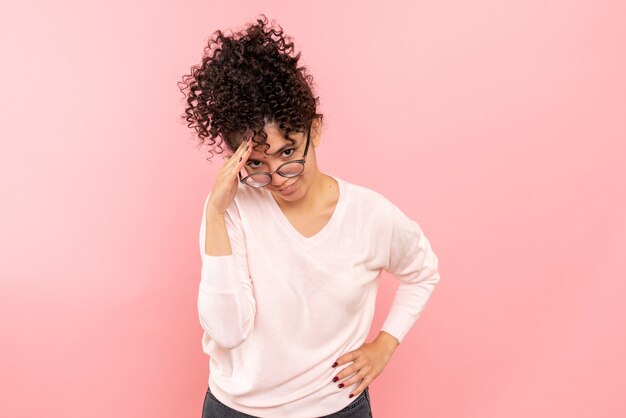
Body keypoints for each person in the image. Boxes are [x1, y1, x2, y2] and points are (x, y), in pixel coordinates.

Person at [178, 14, 442, 418]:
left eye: (289, 153)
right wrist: (214, 213)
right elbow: (228, 331)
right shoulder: (230, 209)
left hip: (335, 408)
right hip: (235, 410)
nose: (279, 178)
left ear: (313, 131)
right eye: (257, 165)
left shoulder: (369, 216)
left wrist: (385, 345)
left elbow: (422, 271)